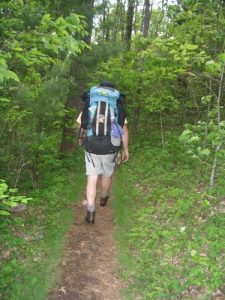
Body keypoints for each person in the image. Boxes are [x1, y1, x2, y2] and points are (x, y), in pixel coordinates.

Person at [77, 81, 129, 224]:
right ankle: (104, 196)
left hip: (91, 144)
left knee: (92, 178)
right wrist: (125, 149)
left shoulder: (91, 101)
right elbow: (123, 130)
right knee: (107, 174)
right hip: (111, 145)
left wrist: (81, 138)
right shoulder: (116, 105)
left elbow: (82, 124)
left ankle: (91, 211)